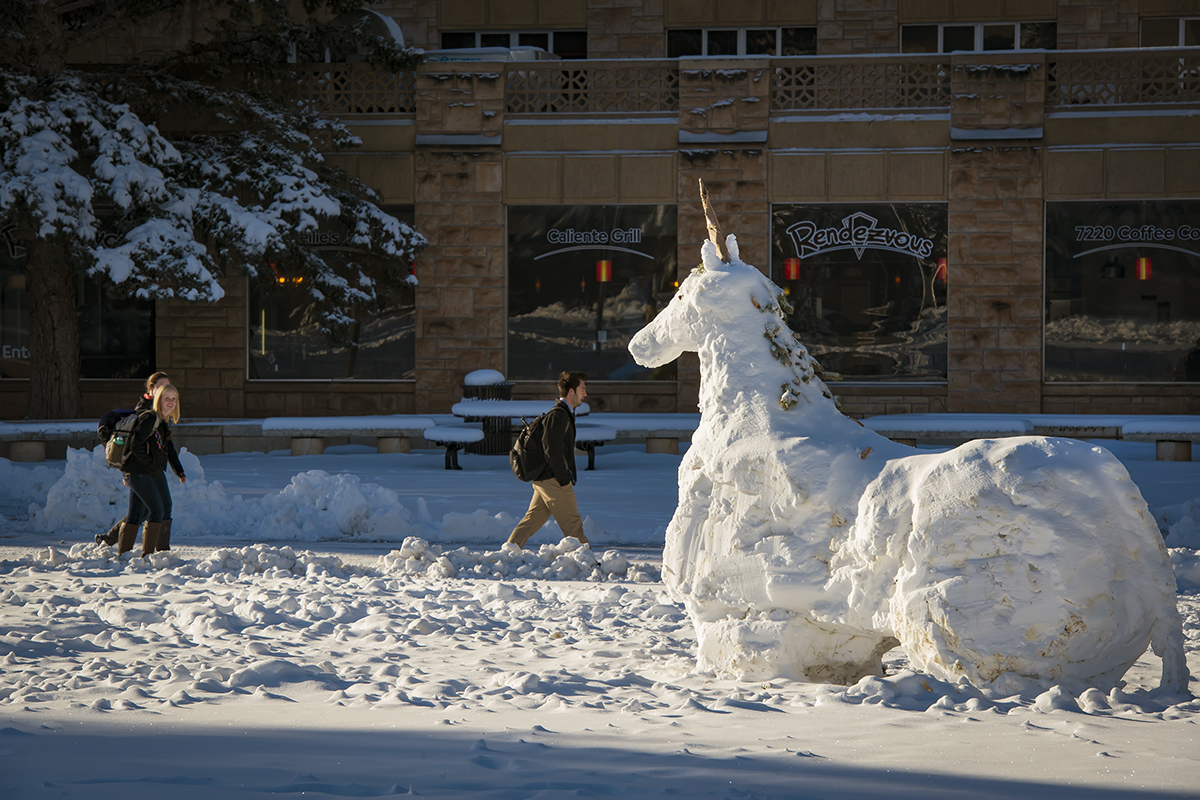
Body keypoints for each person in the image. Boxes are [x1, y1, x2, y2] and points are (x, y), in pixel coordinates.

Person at [507, 371, 590, 549]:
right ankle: (588, 561)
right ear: (571, 392)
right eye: (582, 389)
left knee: (531, 521)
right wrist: (563, 479)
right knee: (572, 523)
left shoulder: (563, 414)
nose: (585, 393)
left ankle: (508, 552)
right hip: (553, 479)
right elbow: (551, 449)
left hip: (546, 478)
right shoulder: (558, 415)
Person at [95, 372, 177, 546]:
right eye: (162, 387)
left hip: (152, 468)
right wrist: (131, 470)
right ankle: (149, 551)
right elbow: (133, 444)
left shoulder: (162, 408)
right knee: (152, 509)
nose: (167, 391)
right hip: (143, 469)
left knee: (146, 510)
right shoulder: (146, 411)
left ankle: (110, 540)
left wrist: (177, 468)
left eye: (168, 387)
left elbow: (166, 443)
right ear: (152, 389)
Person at [115, 384, 185, 557]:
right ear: (158, 400)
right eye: (166, 398)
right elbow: (135, 445)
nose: (170, 402)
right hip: (138, 471)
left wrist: (178, 470)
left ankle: (128, 555)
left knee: (140, 512)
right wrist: (151, 464)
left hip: (146, 471)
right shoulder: (150, 418)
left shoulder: (162, 421)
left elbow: (167, 448)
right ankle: (148, 556)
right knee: (157, 509)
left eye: (174, 399)